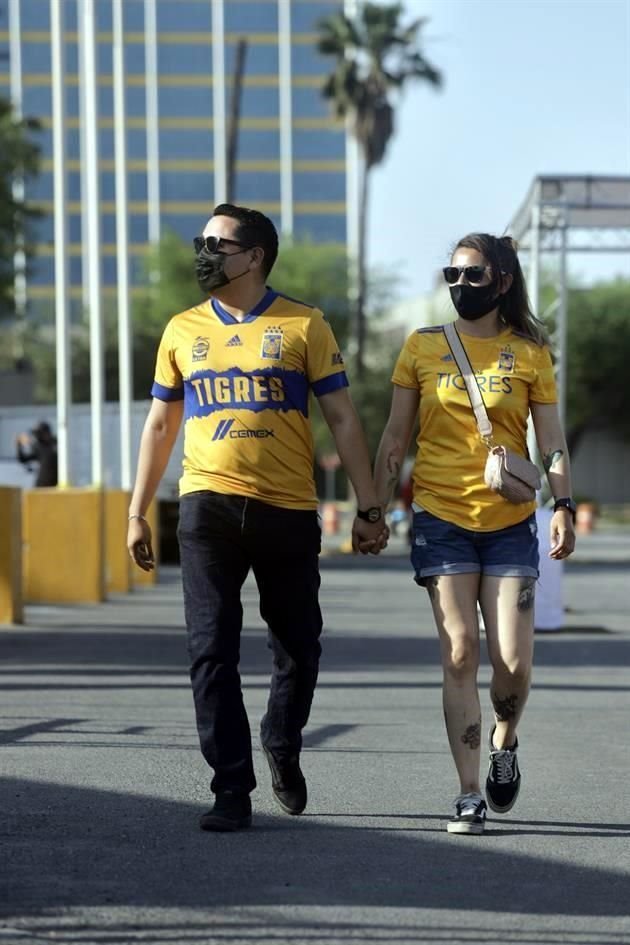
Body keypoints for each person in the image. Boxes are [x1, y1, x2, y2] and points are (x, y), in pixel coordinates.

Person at [127, 203, 388, 832]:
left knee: (298, 645)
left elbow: (344, 419)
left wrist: (369, 505)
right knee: (208, 649)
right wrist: (137, 510)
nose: (205, 253)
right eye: (202, 242)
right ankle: (231, 788)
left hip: (288, 508)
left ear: (255, 256)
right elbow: (161, 423)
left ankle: (282, 737)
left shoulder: (304, 325)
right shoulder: (182, 329)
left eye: (218, 244)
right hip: (206, 504)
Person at [374, 233, 576, 835]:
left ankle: (504, 743)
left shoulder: (532, 353)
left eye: (474, 276)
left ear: (503, 283)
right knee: (460, 651)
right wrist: (373, 506)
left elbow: (553, 440)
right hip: (441, 518)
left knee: (512, 662)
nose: (461, 287)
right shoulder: (422, 347)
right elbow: (393, 438)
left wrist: (562, 503)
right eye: (452, 276)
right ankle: (467, 793)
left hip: (511, 524)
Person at [16, 421, 58, 487]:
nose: (37, 436)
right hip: (41, 485)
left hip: (56, 485)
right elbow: (23, 459)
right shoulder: (38, 446)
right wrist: (19, 445)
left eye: (38, 433)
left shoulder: (57, 443)